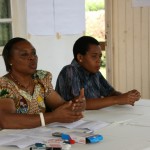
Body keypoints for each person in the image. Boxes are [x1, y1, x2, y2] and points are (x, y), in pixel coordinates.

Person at [0, 37, 86, 129]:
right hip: (14, 141)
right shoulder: (4, 85)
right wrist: (52, 117)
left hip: (42, 137)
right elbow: (6, 121)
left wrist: (76, 105)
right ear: (10, 60)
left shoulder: (40, 79)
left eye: (34, 53)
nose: (32, 57)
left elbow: (61, 106)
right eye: (24, 54)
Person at [55, 36, 141, 110]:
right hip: (70, 123)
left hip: (94, 118)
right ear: (80, 57)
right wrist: (117, 99)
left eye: (100, 56)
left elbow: (110, 93)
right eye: (94, 56)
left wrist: (127, 97)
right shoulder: (69, 71)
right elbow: (80, 104)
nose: (98, 61)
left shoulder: (95, 72)